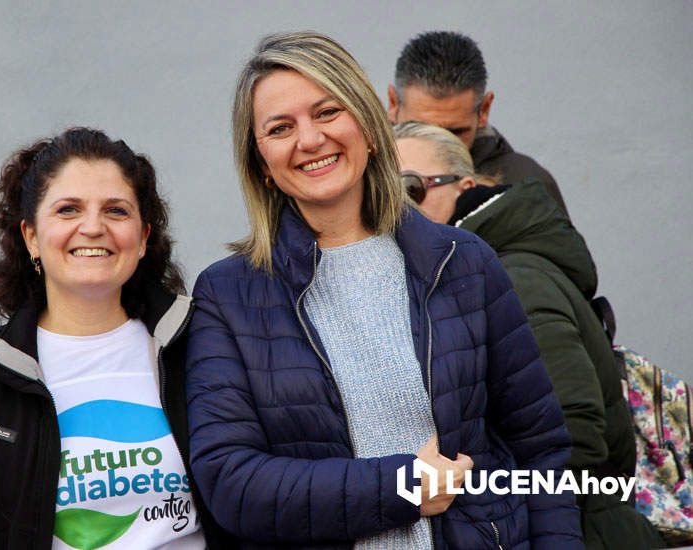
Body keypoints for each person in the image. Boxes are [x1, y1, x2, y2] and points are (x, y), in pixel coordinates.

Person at [186, 31, 582, 549]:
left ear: (371, 129)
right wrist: (401, 486)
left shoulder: (465, 264)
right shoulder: (228, 294)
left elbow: (541, 452)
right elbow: (231, 483)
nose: (309, 139)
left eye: (327, 112)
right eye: (281, 128)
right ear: (262, 165)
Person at [0, 127, 231, 549]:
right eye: (68, 210)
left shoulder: (198, 347)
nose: (93, 227)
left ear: (143, 238)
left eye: (116, 211)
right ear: (31, 236)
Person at [393, 121, 664, 549]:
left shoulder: (512, 276)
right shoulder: (465, 275)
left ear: (465, 185)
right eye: (383, 194)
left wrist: (471, 500)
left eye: (410, 188)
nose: (396, 208)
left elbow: (571, 437)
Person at [387, 30, 570, 215]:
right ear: (393, 103)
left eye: (454, 133)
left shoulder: (526, 184)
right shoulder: (362, 173)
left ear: (484, 110)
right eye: (420, 130)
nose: (438, 144)